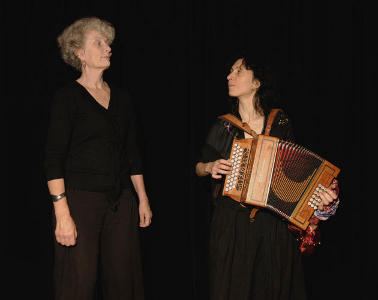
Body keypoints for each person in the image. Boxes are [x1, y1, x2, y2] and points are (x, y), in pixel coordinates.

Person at [195, 54, 340, 300]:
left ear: (256, 82)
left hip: (273, 226)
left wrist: (320, 199)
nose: (229, 76)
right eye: (230, 71)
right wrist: (209, 167)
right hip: (232, 225)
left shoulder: (280, 121)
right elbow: (197, 166)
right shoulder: (224, 126)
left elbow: (296, 174)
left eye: (238, 71)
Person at [44, 17, 152, 300]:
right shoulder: (67, 98)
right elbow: (53, 158)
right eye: (99, 43)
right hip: (80, 201)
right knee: (78, 281)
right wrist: (62, 214)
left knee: (124, 281)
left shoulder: (123, 99)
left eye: (108, 43)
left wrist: (142, 198)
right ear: (79, 53)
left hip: (121, 200)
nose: (108, 48)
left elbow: (132, 154)